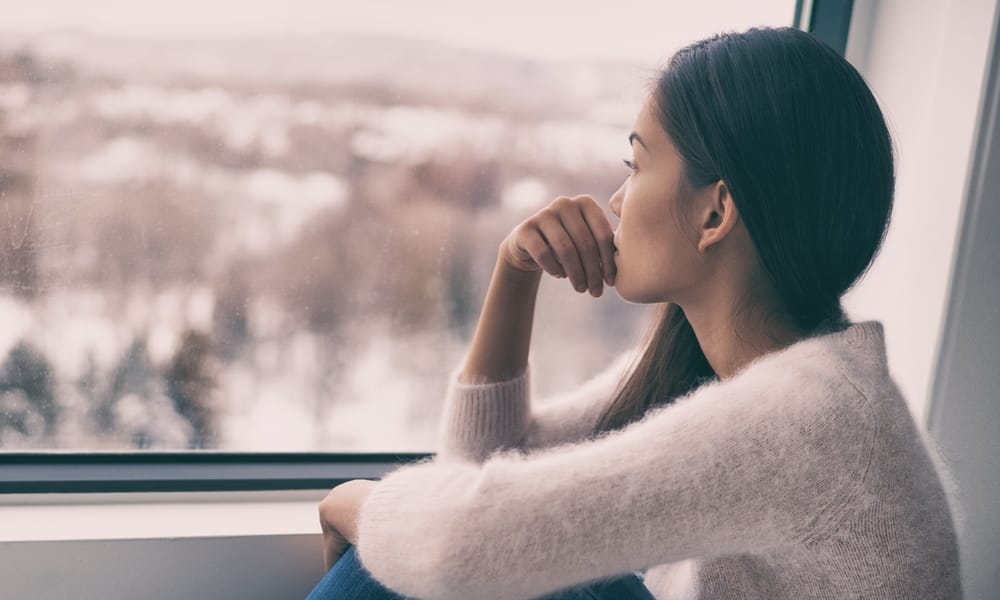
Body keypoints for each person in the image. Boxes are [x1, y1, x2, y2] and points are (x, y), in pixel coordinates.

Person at [307, 26, 962, 600]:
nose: (618, 200)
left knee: (410, 560)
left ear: (715, 213)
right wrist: (515, 273)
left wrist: (351, 501)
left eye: (637, 164)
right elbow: (476, 477)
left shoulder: (809, 417)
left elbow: (455, 548)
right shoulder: (727, 370)